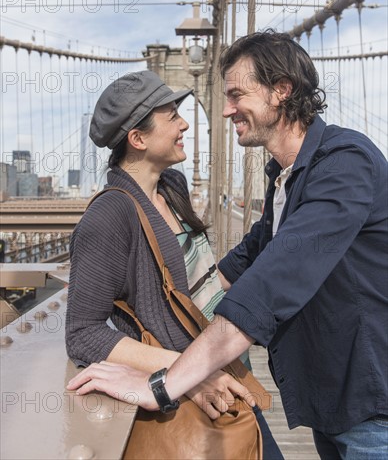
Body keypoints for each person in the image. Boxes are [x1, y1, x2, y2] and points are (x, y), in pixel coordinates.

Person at [68, 32, 388, 459]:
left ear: (281, 90)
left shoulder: (346, 164)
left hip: (371, 400)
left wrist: (165, 382)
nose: (223, 110)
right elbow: (250, 255)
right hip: (325, 398)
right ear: (137, 139)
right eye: (172, 116)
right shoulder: (287, 175)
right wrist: (179, 362)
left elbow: (276, 277)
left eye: (237, 94)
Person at [65, 70, 282, 458]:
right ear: (138, 138)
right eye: (171, 116)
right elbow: (83, 331)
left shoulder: (172, 186)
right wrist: (187, 373)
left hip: (227, 371)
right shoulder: (110, 215)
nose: (184, 124)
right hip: (194, 392)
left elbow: (200, 277)